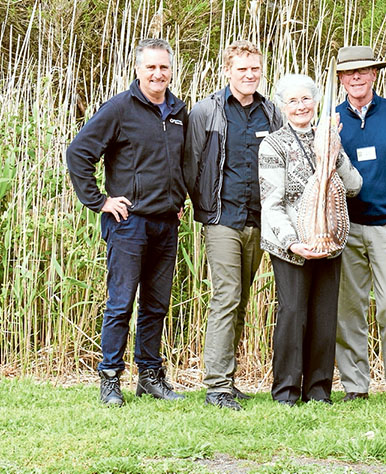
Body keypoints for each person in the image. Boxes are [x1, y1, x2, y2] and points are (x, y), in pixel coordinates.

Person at [66, 38, 187, 406]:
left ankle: (150, 375)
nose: (158, 73)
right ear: (138, 70)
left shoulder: (180, 111)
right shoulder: (120, 108)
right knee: (121, 304)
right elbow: (78, 153)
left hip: (166, 223)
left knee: (156, 304)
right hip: (129, 223)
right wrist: (100, 200)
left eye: (164, 67)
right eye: (150, 67)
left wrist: (178, 198)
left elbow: (183, 162)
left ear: (171, 69)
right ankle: (109, 378)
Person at [184, 40, 282, 411]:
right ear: (227, 71)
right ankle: (217, 386)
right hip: (222, 219)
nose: (249, 75)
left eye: (255, 69)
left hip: (259, 221)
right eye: (242, 69)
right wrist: (201, 208)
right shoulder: (207, 112)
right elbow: (191, 164)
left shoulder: (271, 113)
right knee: (226, 296)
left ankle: (230, 379)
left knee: (240, 300)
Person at [258, 74, 362, 406]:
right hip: (291, 246)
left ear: (316, 103)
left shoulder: (327, 137)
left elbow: (353, 186)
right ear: (282, 105)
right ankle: (286, 391)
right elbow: (271, 203)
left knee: (323, 314)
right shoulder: (273, 144)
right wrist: (292, 242)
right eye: (293, 101)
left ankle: (318, 390)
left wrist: (335, 153)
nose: (301, 106)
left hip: (328, 242)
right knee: (293, 314)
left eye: (306, 99)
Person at [334, 45, 386, 406]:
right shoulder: (331, 119)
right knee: (348, 308)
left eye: (363, 71)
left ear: (374, 75)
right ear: (340, 78)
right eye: (349, 72)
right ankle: (355, 384)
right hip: (345, 227)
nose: (356, 77)